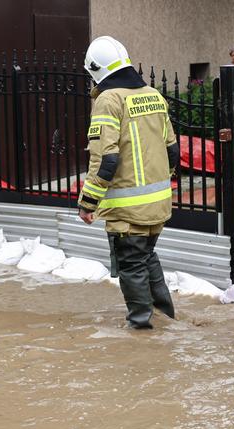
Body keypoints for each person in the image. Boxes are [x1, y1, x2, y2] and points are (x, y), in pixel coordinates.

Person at [77, 36, 179, 329]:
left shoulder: (108, 100)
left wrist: (87, 202)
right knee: (146, 257)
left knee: (132, 266)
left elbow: (105, 159)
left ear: (96, 68)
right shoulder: (153, 94)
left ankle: (142, 328)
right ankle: (166, 318)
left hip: (127, 209)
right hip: (157, 203)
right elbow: (172, 151)